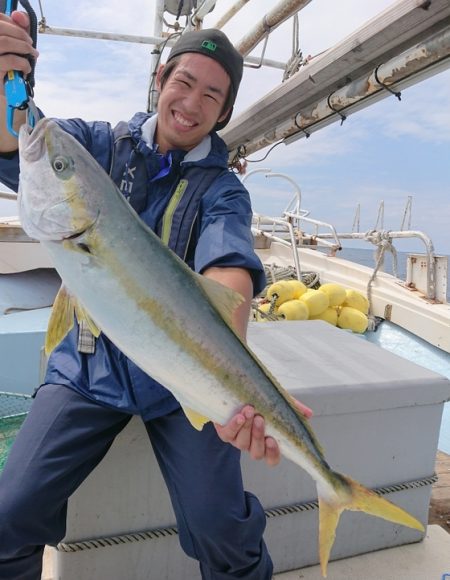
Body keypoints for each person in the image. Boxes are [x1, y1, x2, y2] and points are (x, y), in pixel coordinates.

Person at [0, 12, 312, 580]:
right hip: (87, 368)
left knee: (222, 531)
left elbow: (228, 272)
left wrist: (231, 383)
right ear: (161, 80)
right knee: (7, 514)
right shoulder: (94, 147)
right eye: (184, 83)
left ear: (224, 113)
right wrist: (4, 76)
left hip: (179, 383)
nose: (191, 103)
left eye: (212, 95)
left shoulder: (223, 191)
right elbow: (18, 135)